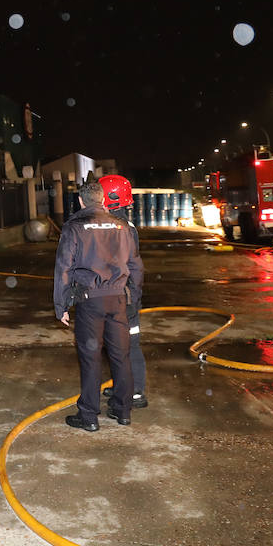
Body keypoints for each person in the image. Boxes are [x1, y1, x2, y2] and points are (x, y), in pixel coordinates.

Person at [53, 173, 143, 431]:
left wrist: (61, 306)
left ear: (81, 202)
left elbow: (64, 268)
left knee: (91, 357)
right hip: (118, 300)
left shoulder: (74, 227)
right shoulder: (122, 227)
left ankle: (89, 416)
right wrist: (133, 300)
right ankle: (123, 411)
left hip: (90, 301)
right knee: (121, 356)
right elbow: (136, 266)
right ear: (103, 200)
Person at [99, 174, 148, 410]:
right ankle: (123, 385)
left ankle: (136, 392)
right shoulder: (125, 226)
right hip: (125, 296)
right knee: (118, 345)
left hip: (122, 297)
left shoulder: (113, 229)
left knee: (129, 345)